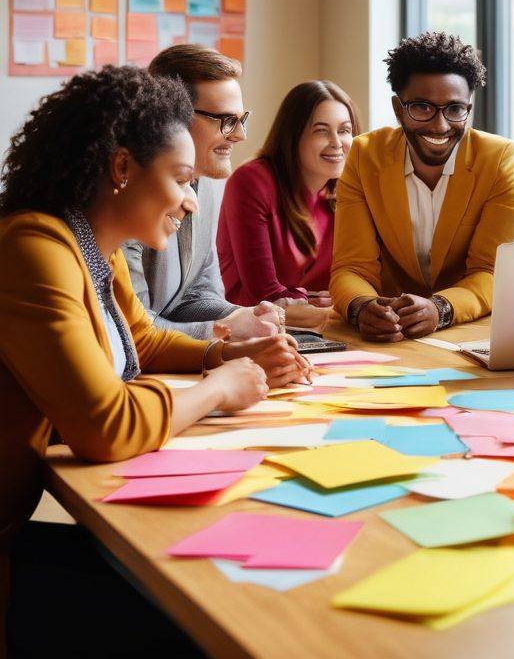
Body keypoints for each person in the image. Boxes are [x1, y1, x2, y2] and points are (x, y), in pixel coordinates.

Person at [0, 66, 309, 656]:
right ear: (122, 169)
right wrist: (218, 388)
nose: (192, 201)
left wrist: (230, 352)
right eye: (182, 179)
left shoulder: (90, 240)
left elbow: (140, 341)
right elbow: (107, 426)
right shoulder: (34, 249)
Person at [331, 31, 514, 342]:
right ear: (398, 108)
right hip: (389, 334)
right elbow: (351, 267)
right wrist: (362, 307)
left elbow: (491, 271)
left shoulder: (499, 159)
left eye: (455, 109)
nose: (440, 125)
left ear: (468, 108)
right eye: (422, 107)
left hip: (466, 333)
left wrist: (441, 307)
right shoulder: (365, 156)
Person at [123, 44, 285, 342]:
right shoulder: (126, 196)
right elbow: (134, 329)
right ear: (172, 117)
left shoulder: (211, 181)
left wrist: (242, 316)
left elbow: (196, 293)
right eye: (226, 121)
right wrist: (222, 331)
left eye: (241, 119)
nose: (239, 135)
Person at [219, 80, 361, 330]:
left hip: (320, 330)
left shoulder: (348, 189)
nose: (337, 143)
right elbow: (265, 295)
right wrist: (332, 304)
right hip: (248, 331)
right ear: (293, 135)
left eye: (344, 130)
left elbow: (357, 280)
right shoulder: (252, 181)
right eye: (321, 130)